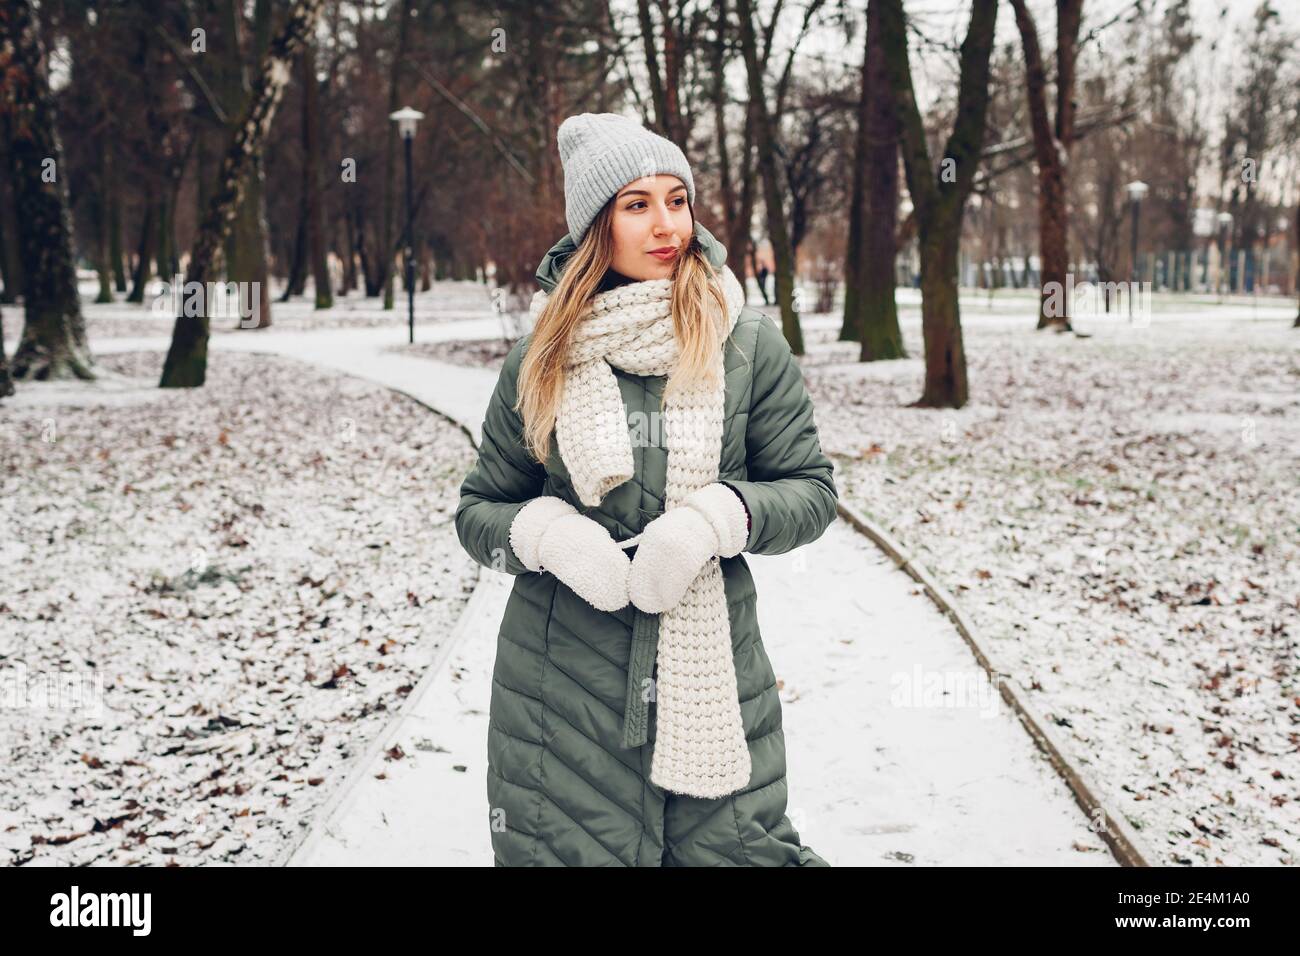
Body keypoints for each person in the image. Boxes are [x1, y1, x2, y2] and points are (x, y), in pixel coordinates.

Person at [454, 112, 838, 866]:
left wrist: (717, 518)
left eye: (677, 200)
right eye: (637, 205)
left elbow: (811, 492)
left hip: (713, 678)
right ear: (599, 225)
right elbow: (479, 511)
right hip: (559, 695)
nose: (667, 224)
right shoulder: (541, 356)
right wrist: (546, 537)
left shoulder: (746, 342)